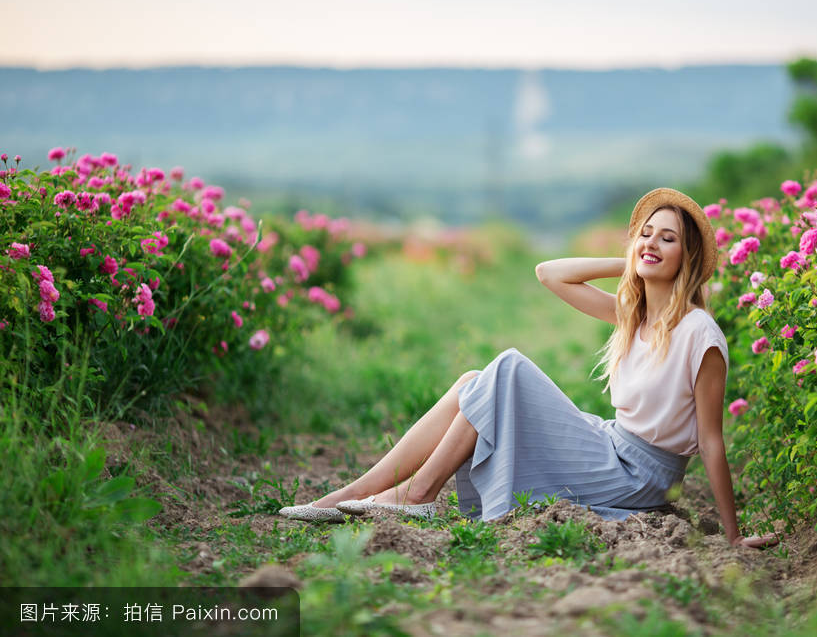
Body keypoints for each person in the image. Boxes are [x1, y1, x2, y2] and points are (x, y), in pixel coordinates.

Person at [280, 188, 778, 549]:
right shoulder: (636, 314)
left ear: (687, 255)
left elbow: (712, 440)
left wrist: (733, 537)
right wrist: (630, 259)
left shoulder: (700, 334)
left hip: (639, 475)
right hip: (611, 443)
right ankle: (355, 492)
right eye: (644, 235)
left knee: (509, 369)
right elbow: (549, 274)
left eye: (666, 239)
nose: (650, 244)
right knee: (472, 383)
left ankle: (418, 493)